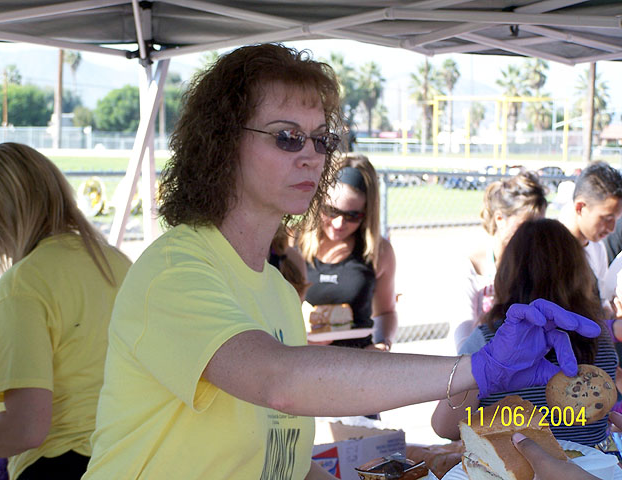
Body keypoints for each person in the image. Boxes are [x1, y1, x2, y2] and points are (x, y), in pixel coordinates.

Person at [81, 43, 601, 480]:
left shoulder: (276, 289)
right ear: (221, 143)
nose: (312, 155)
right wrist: (475, 368)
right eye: (287, 136)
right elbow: (279, 382)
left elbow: (283, 461)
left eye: (321, 139)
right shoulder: (175, 270)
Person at [0, 143, 131, 479]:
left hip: (60, 465)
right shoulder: (116, 264)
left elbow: (25, 428)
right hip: (129, 459)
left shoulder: (21, 286)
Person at [432, 218, 617, 447]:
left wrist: (479, 368)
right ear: (581, 273)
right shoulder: (600, 337)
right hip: (592, 463)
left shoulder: (487, 341)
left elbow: (445, 428)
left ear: (506, 274)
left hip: (512, 463)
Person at [298, 153, 397, 351]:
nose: (339, 224)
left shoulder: (378, 251)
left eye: (353, 215)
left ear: (367, 213)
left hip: (357, 360)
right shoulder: (293, 243)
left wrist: (383, 344)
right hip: (302, 358)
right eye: (331, 211)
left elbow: (386, 312)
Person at [454, 171, 547, 351]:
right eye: (526, 225)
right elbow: (463, 339)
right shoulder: (473, 266)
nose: (534, 235)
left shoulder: (540, 266)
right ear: (499, 219)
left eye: (540, 226)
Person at [559, 161, 622, 306]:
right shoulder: (549, 250)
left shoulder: (597, 248)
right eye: (607, 219)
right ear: (580, 207)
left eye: (616, 220)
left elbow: (601, 302)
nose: (612, 228)